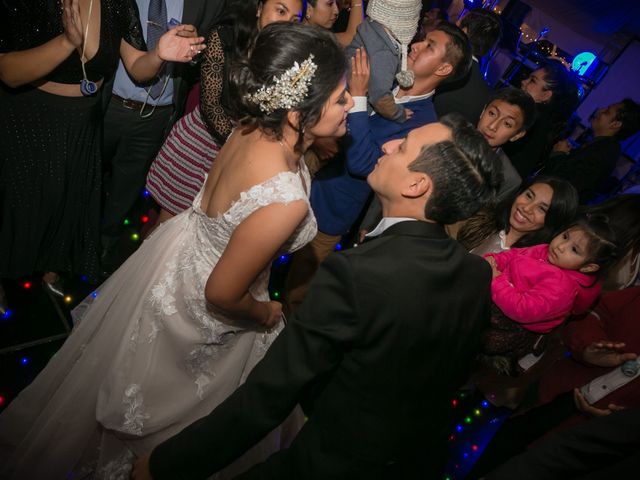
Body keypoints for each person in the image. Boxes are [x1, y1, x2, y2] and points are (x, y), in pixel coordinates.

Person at [0, 23, 352, 479]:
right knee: (175, 417)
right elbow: (222, 294)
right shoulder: (285, 200)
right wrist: (267, 314)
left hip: (176, 258)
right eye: (342, 97)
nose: (349, 106)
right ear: (295, 111)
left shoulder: (250, 126)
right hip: (207, 302)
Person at [132, 114, 503, 480]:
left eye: (403, 147)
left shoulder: (357, 274)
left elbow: (267, 398)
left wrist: (168, 465)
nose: (388, 145)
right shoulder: (475, 273)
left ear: (417, 185)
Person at [0, 0, 205, 292]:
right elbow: (9, 71)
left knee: (65, 199)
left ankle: (48, 266)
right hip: (32, 118)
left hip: (83, 121)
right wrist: (67, 42)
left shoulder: (117, 4)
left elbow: (137, 67)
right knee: (19, 202)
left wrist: (159, 54)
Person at [284, 22, 472, 312]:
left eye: (429, 46)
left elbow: (364, 164)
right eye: (422, 39)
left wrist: (358, 97)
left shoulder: (424, 123)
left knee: (293, 297)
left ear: (444, 69)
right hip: (290, 177)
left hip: (329, 209)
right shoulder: (382, 71)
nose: (417, 45)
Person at [145, 0, 305, 227]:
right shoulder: (226, 36)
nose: (286, 23)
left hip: (246, 150)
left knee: (208, 234)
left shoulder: (289, 58)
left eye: (294, 20)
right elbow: (211, 104)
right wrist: (241, 147)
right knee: (169, 227)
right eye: (280, 11)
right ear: (259, 7)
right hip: (202, 144)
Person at [99, 0, 227, 259]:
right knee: (88, 179)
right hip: (109, 107)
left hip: (156, 116)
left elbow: (211, 56)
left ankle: (102, 250)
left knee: (125, 192)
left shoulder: (203, 5)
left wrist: (195, 48)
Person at [481, 215, 618, 362]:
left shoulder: (562, 288)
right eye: (565, 236)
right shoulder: (545, 250)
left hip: (512, 325)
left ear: (588, 267)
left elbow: (522, 309)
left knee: (477, 334)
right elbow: (513, 255)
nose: (561, 246)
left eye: (574, 249)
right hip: (502, 294)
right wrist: (494, 260)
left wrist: (496, 280)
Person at [540, 99, 640, 203]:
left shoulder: (603, 152)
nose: (600, 110)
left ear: (615, 124)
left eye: (607, 112)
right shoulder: (601, 145)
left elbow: (564, 183)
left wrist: (559, 153)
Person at [456, 176, 579, 255]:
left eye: (541, 208)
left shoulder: (527, 264)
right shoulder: (478, 217)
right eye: (529, 196)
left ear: (553, 221)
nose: (527, 208)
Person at [346, 0, 423, 122]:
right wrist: (398, 114)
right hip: (350, 110)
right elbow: (379, 97)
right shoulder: (384, 53)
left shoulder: (370, 25)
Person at [503, 60, 580, 179]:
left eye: (532, 80)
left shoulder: (531, 119)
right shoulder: (545, 123)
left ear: (546, 95)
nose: (523, 82)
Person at [433, 7, 502, 125]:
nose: (454, 25)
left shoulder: (441, 66)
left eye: (457, 24)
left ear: (464, 31)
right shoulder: (485, 96)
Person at [476, 87, 536, 202]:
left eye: (507, 124)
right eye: (492, 113)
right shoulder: (446, 135)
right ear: (483, 111)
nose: (492, 126)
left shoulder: (508, 179)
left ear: (517, 135)